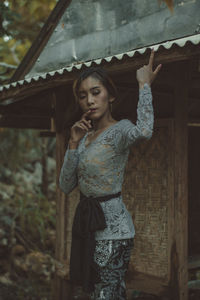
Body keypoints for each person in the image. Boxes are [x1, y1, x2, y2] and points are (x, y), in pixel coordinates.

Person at [59, 49, 161, 300]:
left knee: (108, 294)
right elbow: (65, 185)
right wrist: (72, 145)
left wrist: (144, 85)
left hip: (114, 230)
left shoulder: (121, 130)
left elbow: (145, 131)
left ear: (110, 96)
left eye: (96, 92)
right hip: (87, 227)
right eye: (83, 96)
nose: (89, 101)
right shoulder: (83, 139)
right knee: (97, 293)